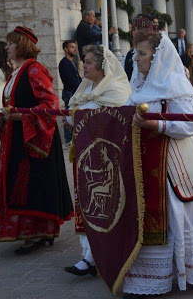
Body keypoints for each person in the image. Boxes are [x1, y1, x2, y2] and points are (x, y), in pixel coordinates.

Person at [123, 30, 193, 294]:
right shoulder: (138, 83)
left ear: (158, 57)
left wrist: (156, 124)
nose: (136, 59)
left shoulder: (176, 83)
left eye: (142, 54)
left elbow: (190, 125)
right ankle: (149, 278)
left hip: (175, 163)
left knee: (181, 216)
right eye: (136, 53)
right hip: (143, 163)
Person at [0, 26, 74, 253]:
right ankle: (38, 232)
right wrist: (4, 117)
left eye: (10, 43)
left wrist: (18, 114)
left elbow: (49, 105)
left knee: (32, 183)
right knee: (23, 183)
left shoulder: (34, 70)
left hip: (34, 139)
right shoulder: (18, 71)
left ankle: (38, 233)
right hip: (19, 137)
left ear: (21, 45)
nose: (7, 47)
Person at [63, 44, 132, 277]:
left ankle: (107, 254)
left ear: (103, 66)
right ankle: (88, 256)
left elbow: (117, 120)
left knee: (106, 208)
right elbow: (73, 115)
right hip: (83, 157)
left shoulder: (116, 91)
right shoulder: (85, 88)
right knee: (84, 204)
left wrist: (81, 117)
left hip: (106, 161)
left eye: (89, 62)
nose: (84, 65)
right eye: (84, 61)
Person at [58, 40, 82, 145]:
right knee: (68, 114)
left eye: (75, 47)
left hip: (75, 92)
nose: (75, 49)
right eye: (72, 47)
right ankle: (68, 140)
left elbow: (77, 78)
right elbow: (70, 80)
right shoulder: (64, 63)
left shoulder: (72, 62)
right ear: (66, 49)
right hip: (69, 93)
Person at [122, 14, 158, 81]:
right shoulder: (129, 55)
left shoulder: (158, 52)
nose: (135, 32)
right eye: (133, 29)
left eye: (140, 29)